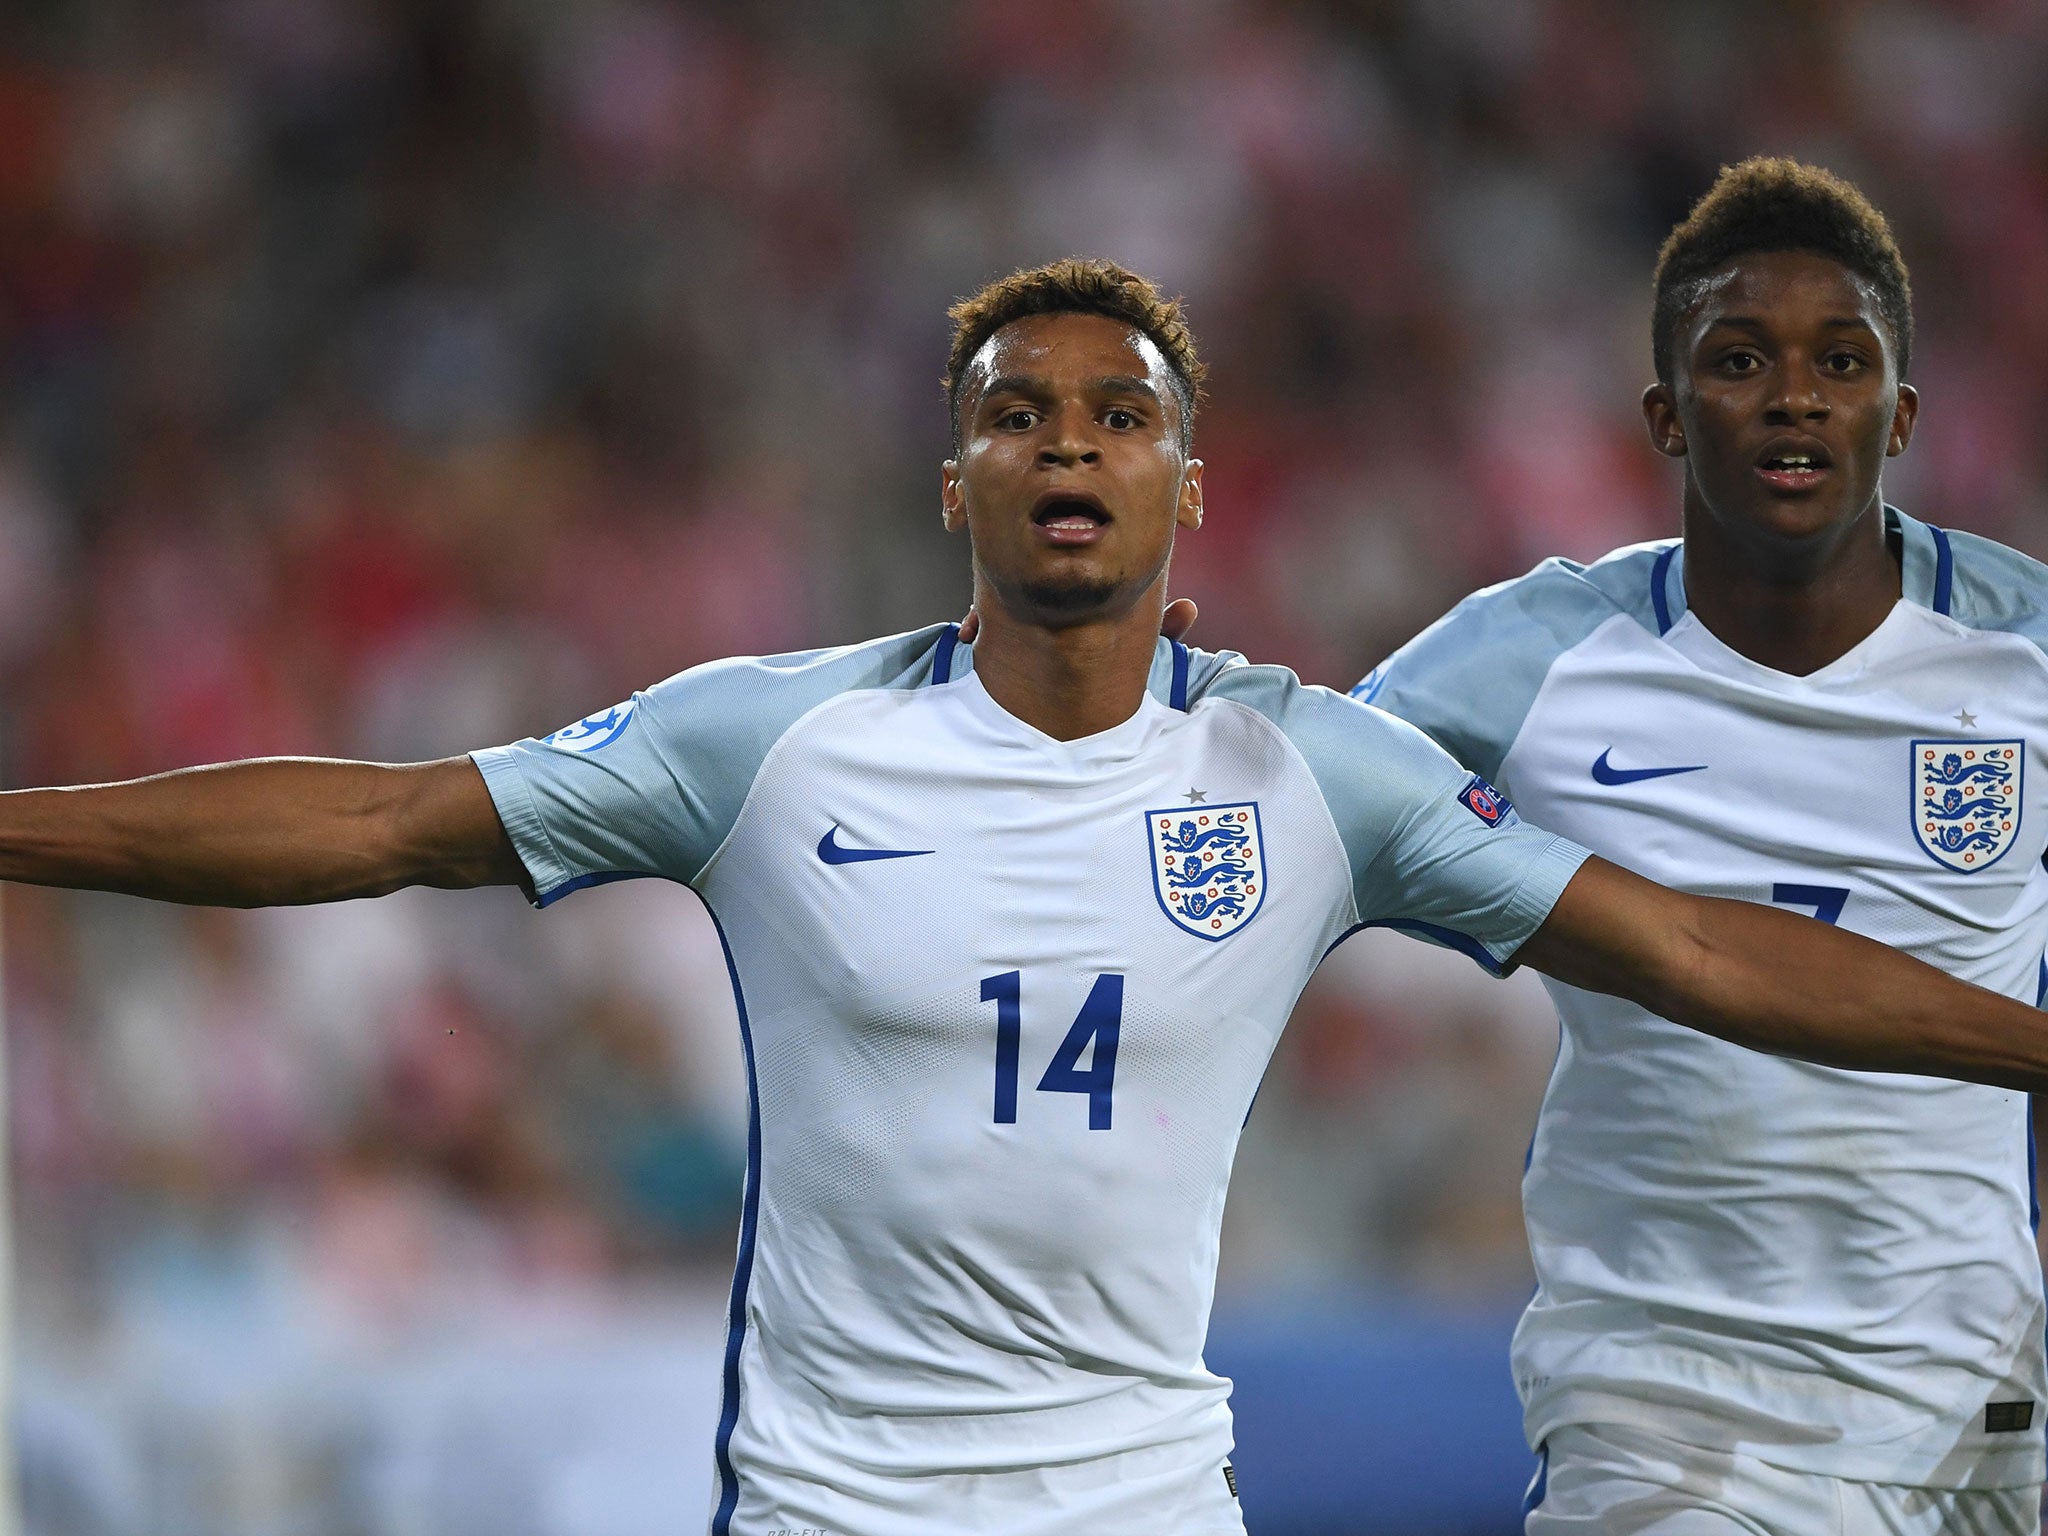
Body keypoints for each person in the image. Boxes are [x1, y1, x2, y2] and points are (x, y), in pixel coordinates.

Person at [7, 258, 2048, 1536]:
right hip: (833, 1510)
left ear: (1188, 484)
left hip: (1144, 1505)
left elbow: (1688, 943)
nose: (1065, 439)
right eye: (1014, 410)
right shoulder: (762, 743)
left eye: (1118, 412)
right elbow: (379, 823)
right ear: (953, 482)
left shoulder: (1303, 774)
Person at [1359, 159, 2048, 1534]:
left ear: (1899, 413)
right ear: (1667, 416)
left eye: (1841, 361)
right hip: (1667, 1406)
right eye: (1740, 360)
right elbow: (1281, 814)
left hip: (1979, 1405)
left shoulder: (2025, 649)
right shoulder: (1521, 664)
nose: (1793, 395)